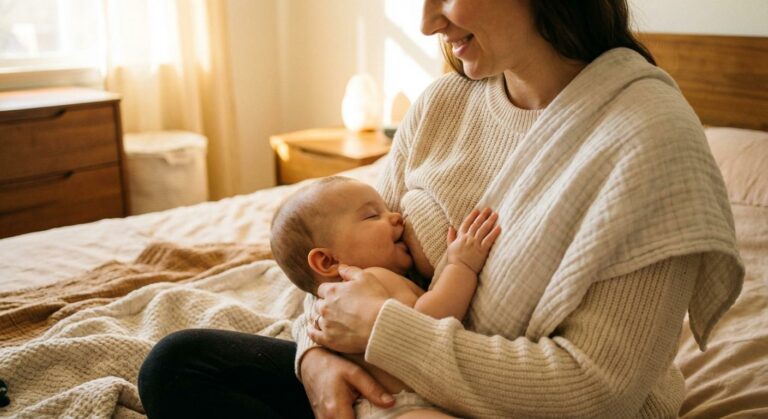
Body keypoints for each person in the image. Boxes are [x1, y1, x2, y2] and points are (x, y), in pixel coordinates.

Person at [138, 1, 743, 418]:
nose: (427, 22)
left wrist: (388, 336)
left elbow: (597, 393)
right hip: (395, 385)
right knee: (177, 365)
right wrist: (314, 359)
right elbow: (342, 271)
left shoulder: (648, 140)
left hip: (517, 406)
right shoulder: (443, 105)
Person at [269, 175, 500, 419]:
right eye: (372, 216)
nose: (396, 216)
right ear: (327, 261)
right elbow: (429, 319)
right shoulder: (374, 279)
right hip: (398, 407)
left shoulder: (330, 303)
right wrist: (461, 265)